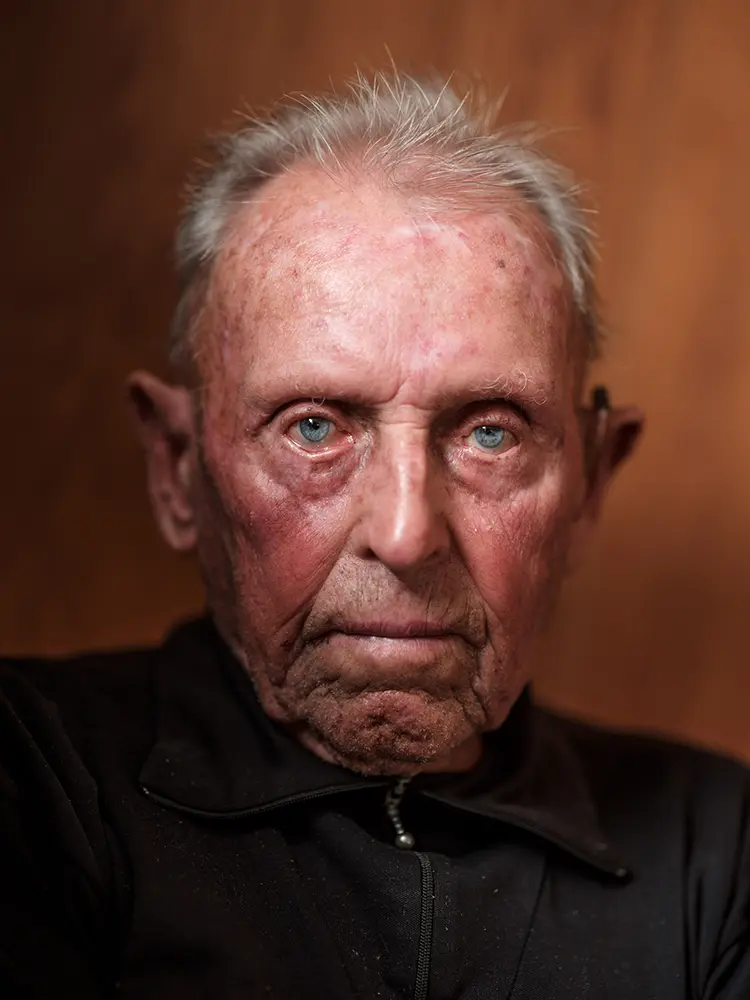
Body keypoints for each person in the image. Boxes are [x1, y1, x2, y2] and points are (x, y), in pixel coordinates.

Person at [1, 71, 747, 1000]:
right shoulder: (29, 775)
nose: (404, 534)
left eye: (490, 433)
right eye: (314, 427)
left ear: (590, 483)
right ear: (177, 468)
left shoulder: (720, 851)